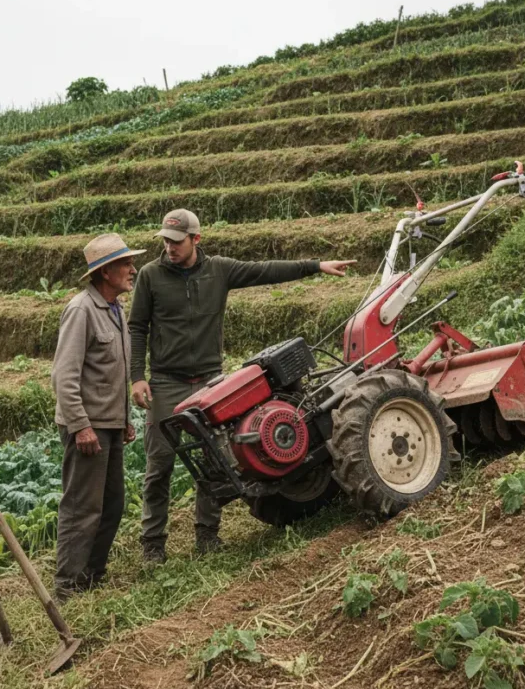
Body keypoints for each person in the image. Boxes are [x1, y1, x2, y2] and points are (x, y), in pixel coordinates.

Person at [129, 208, 356, 562]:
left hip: (209, 382)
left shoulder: (219, 270)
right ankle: (153, 544)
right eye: (166, 241)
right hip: (166, 381)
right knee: (159, 465)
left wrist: (315, 266)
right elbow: (137, 327)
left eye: (177, 242)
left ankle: (207, 535)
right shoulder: (150, 275)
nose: (170, 248)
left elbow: (264, 270)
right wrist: (136, 376)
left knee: (215, 460)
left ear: (195, 239)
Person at [51, 233, 144, 599]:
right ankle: (67, 585)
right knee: (82, 507)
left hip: (109, 425)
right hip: (88, 428)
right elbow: (64, 376)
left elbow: (112, 373)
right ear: (105, 272)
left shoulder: (114, 309)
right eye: (126, 264)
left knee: (112, 504)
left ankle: (91, 575)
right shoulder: (81, 310)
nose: (133, 270)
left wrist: (123, 419)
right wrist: (81, 426)